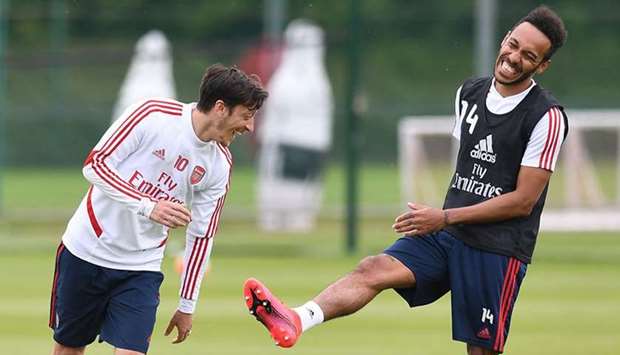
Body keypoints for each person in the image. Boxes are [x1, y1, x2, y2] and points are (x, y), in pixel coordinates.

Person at [243, 6, 567, 354]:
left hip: (497, 248)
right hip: (448, 234)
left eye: (528, 55)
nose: (513, 57)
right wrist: (444, 221)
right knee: (373, 269)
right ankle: (296, 318)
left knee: (480, 351)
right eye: (513, 44)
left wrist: (443, 216)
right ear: (504, 39)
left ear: (542, 65)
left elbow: (523, 201)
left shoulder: (546, 117)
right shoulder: (470, 93)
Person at [49, 64, 268, 355]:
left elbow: (202, 235)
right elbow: (95, 165)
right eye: (246, 115)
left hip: (141, 268)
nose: (250, 127)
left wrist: (187, 305)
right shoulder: (152, 115)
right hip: (85, 251)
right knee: (69, 349)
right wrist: (148, 206)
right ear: (220, 108)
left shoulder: (219, 164)